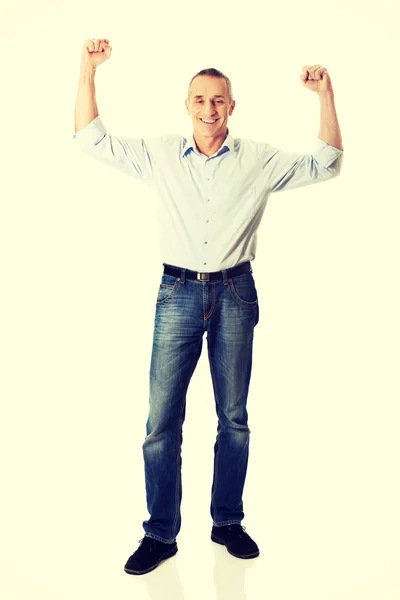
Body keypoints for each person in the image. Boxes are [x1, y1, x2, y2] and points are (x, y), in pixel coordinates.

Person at [73, 38, 344, 576]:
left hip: (236, 294)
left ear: (232, 106)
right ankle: (160, 534)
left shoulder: (259, 159)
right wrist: (88, 71)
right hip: (176, 293)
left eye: (218, 100)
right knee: (160, 423)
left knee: (234, 418)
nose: (208, 109)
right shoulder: (160, 154)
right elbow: (90, 138)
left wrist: (325, 96)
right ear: (187, 105)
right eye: (199, 100)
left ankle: (226, 522)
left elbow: (328, 164)